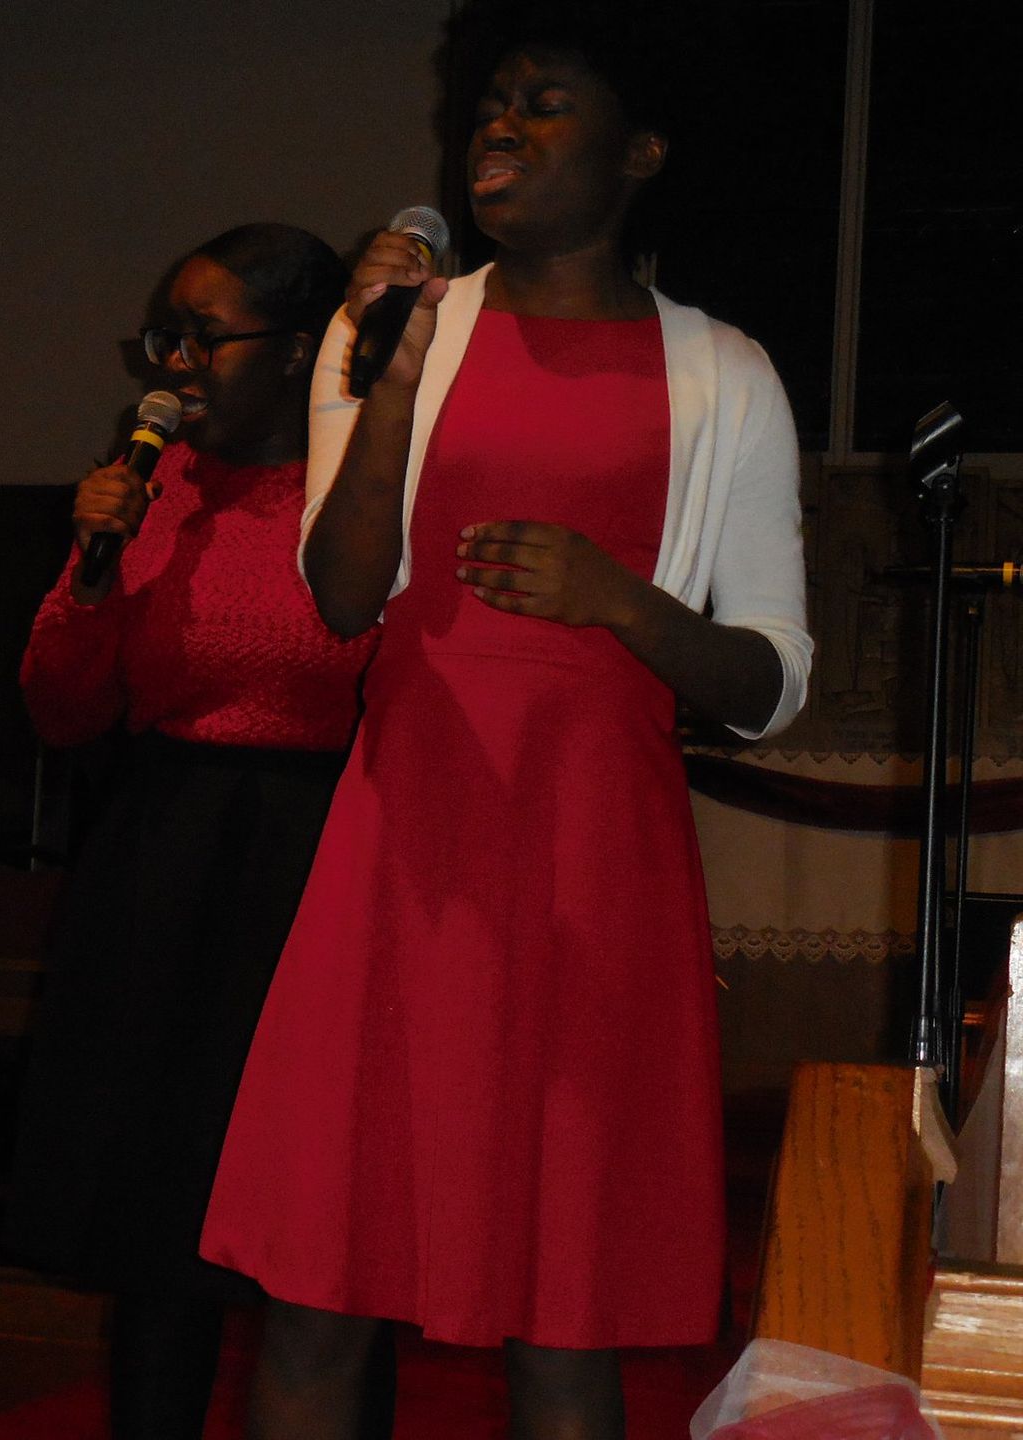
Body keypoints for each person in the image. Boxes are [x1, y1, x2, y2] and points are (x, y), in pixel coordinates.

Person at [197, 5, 812, 1438]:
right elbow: (342, 600)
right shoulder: (398, 331)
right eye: (489, 103)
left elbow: (772, 682)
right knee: (318, 1285)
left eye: (544, 104)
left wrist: (625, 604)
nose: (499, 126)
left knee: (566, 1308)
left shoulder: (725, 372)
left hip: (594, 863)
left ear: (641, 148)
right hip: (406, 838)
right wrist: (396, 375)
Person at [7, 224, 381, 1440]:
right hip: (163, 865)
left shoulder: (368, 490)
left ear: (301, 355)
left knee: (320, 1240)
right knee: (157, 1227)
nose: (171, 366)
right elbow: (63, 712)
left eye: (203, 339)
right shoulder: (152, 484)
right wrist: (95, 565)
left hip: (320, 870)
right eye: (164, 336)